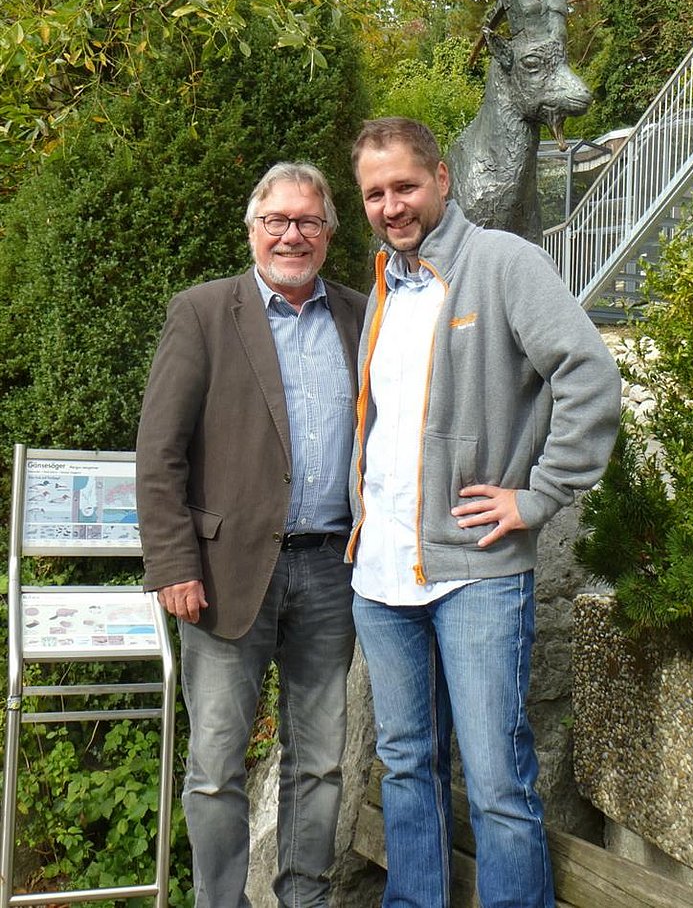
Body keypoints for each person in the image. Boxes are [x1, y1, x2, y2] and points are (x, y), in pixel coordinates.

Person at [346, 118, 622, 908]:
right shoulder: (385, 287)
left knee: (498, 780)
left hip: (476, 573)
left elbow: (588, 376)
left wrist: (536, 495)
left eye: (404, 186)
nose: (392, 205)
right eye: (374, 193)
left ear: (441, 178)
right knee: (405, 766)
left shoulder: (504, 264)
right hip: (383, 577)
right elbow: (378, 424)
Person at [135, 161, 367, 908]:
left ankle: (305, 898)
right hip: (222, 572)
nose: (292, 235)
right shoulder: (203, 313)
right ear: (253, 229)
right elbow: (159, 451)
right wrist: (173, 562)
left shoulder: (364, 316)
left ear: (330, 233)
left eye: (308, 221)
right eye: (278, 221)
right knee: (213, 767)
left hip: (334, 568)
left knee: (321, 763)